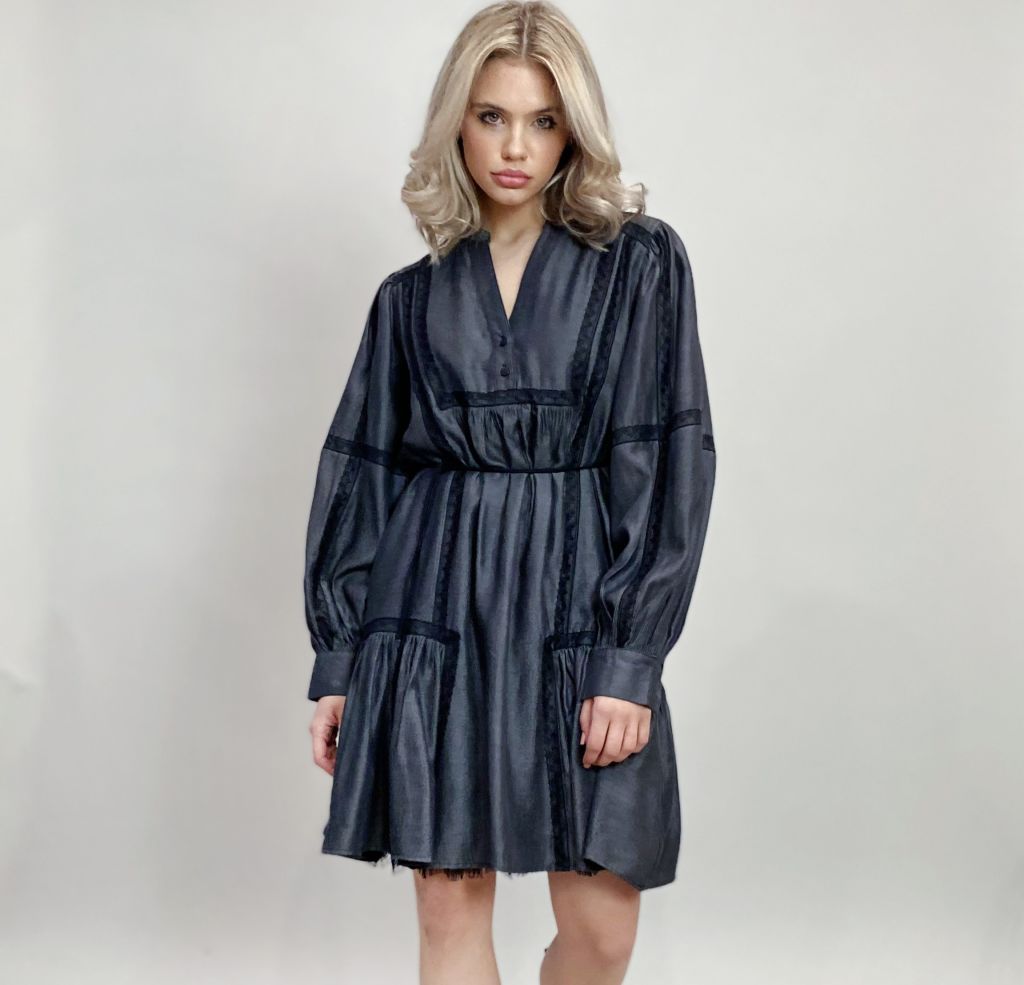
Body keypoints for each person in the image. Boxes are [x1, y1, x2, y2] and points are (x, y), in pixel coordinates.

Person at [302, 2, 717, 981]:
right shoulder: (408, 300)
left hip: (580, 607)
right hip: (433, 610)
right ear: (458, 121)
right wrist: (340, 658)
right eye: (492, 116)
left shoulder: (638, 265)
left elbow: (667, 455)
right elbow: (364, 471)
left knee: (602, 927)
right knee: (449, 912)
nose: (516, 147)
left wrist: (630, 655)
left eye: (542, 121)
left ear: (574, 130)